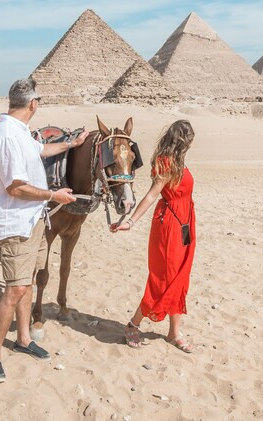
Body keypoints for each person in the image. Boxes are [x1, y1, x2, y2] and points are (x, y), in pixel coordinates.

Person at [0, 77, 88, 383]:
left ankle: (24, 338)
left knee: (26, 282)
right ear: (33, 104)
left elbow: (40, 150)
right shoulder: (9, 136)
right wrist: (54, 196)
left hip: (33, 219)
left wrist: (71, 144)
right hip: (15, 222)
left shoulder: (20, 131)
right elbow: (15, 187)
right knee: (15, 290)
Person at [110, 120, 196, 353]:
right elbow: (151, 196)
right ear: (182, 141)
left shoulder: (178, 160)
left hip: (184, 223)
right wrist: (130, 221)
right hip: (169, 224)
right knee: (163, 280)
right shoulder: (166, 163)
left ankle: (174, 331)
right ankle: (133, 324)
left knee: (179, 278)